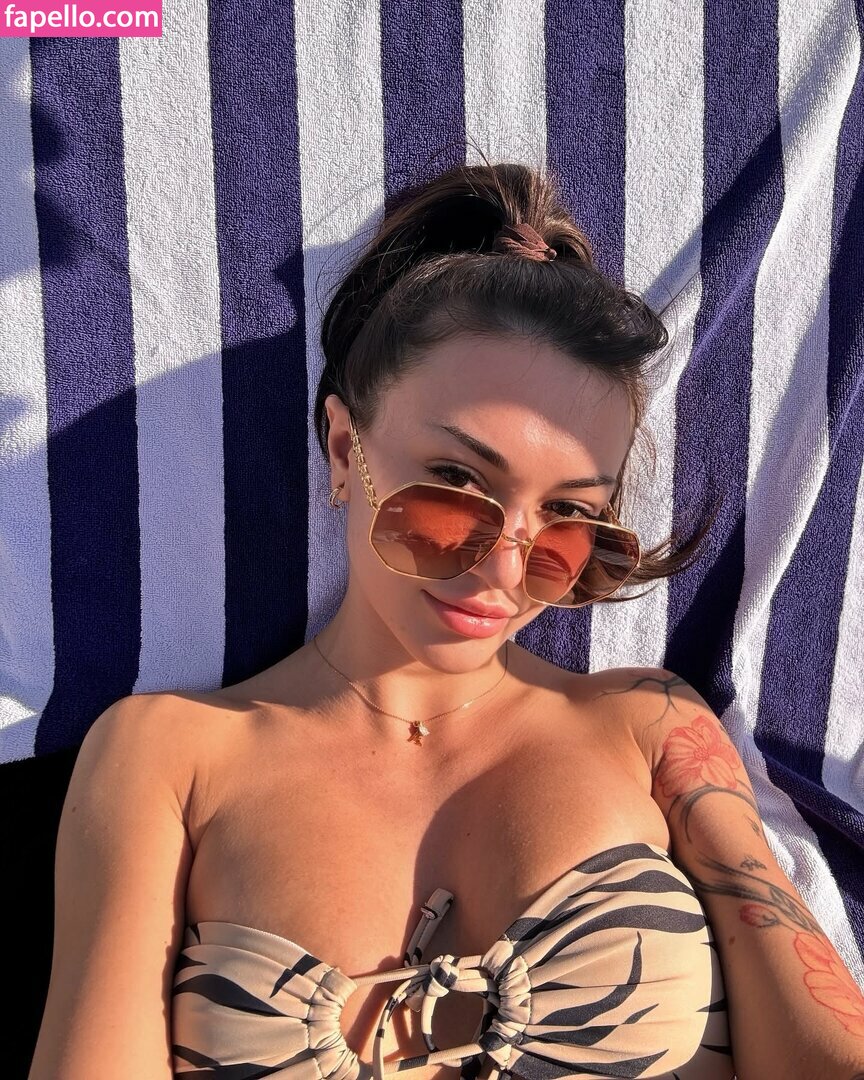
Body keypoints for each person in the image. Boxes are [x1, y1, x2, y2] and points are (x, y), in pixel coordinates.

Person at [29, 163, 864, 1080]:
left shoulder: (652, 725)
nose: (503, 567)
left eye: (567, 516)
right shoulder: (164, 755)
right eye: (456, 483)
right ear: (344, 449)